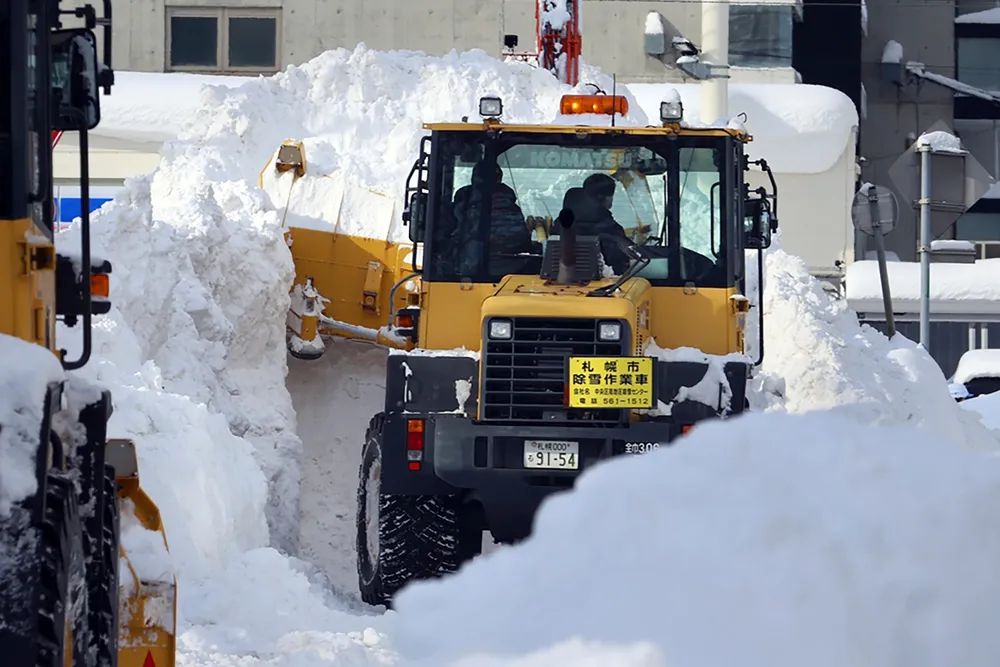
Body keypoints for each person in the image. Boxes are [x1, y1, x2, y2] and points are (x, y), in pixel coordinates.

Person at [452, 161, 534, 277]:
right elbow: (522, 242)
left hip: (469, 270)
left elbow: (452, 234)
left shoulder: (464, 203)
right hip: (514, 269)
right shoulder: (511, 207)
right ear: (499, 178)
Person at [556, 173, 631, 275]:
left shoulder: (560, 225)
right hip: (608, 287)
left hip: (559, 281)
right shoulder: (611, 229)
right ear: (607, 198)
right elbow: (625, 266)